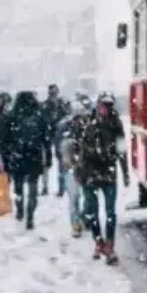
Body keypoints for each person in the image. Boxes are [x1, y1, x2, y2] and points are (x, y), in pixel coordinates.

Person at [73, 92, 130, 264]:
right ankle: (99, 242)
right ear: (98, 105)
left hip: (108, 172)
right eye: (104, 105)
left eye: (109, 105)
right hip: (90, 172)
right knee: (92, 211)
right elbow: (80, 150)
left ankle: (110, 245)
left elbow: (121, 150)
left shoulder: (116, 124)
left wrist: (125, 172)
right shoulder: (88, 122)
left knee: (111, 212)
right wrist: (78, 171)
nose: (106, 108)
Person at [0, 91, 48, 230]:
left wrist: (6, 156)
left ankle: (20, 209)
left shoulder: (12, 117)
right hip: (34, 157)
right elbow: (46, 140)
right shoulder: (38, 117)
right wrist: (48, 158)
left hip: (17, 157)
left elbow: (4, 140)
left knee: (18, 187)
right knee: (32, 189)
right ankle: (30, 215)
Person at [57, 93, 94, 238]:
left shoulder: (89, 127)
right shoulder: (64, 128)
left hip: (84, 167)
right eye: (79, 117)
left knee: (88, 196)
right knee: (75, 196)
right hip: (70, 167)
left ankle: (83, 218)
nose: (81, 120)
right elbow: (60, 148)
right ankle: (76, 223)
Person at [40, 85, 69, 195]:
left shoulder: (61, 105)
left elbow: (67, 118)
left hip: (57, 136)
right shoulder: (46, 105)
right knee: (46, 163)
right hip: (49, 137)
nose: (53, 96)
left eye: (54, 93)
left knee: (60, 162)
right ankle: (46, 186)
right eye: (52, 94)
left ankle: (60, 187)